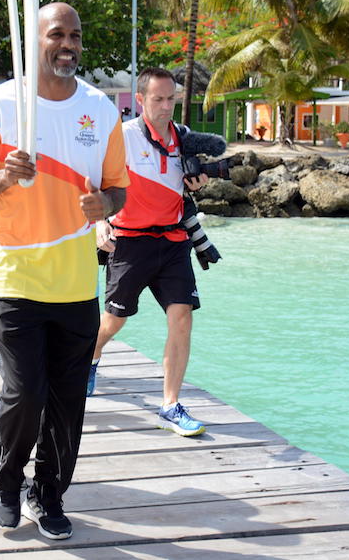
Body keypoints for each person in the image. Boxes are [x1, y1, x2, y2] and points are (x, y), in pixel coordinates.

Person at [0, 3, 129, 540]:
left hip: (77, 280)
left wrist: (107, 204)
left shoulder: (101, 111)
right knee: (25, 391)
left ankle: (47, 493)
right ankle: (6, 483)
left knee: (68, 401)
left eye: (75, 35)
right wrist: (4, 177)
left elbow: (118, 188)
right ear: (34, 41)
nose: (68, 44)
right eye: (57, 34)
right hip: (13, 275)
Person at [91, 67, 211, 437]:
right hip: (130, 241)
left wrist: (199, 183)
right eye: (157, 99)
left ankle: (170, 405)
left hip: (174, 242)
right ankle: (91, 358)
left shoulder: (186, 140)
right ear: (140, 100)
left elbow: (189, 187)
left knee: (182, 318)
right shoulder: (123, 137)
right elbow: (97, 182)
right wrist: (99, 224)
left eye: (171, 98)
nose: (165, 106)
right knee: (113, 321)